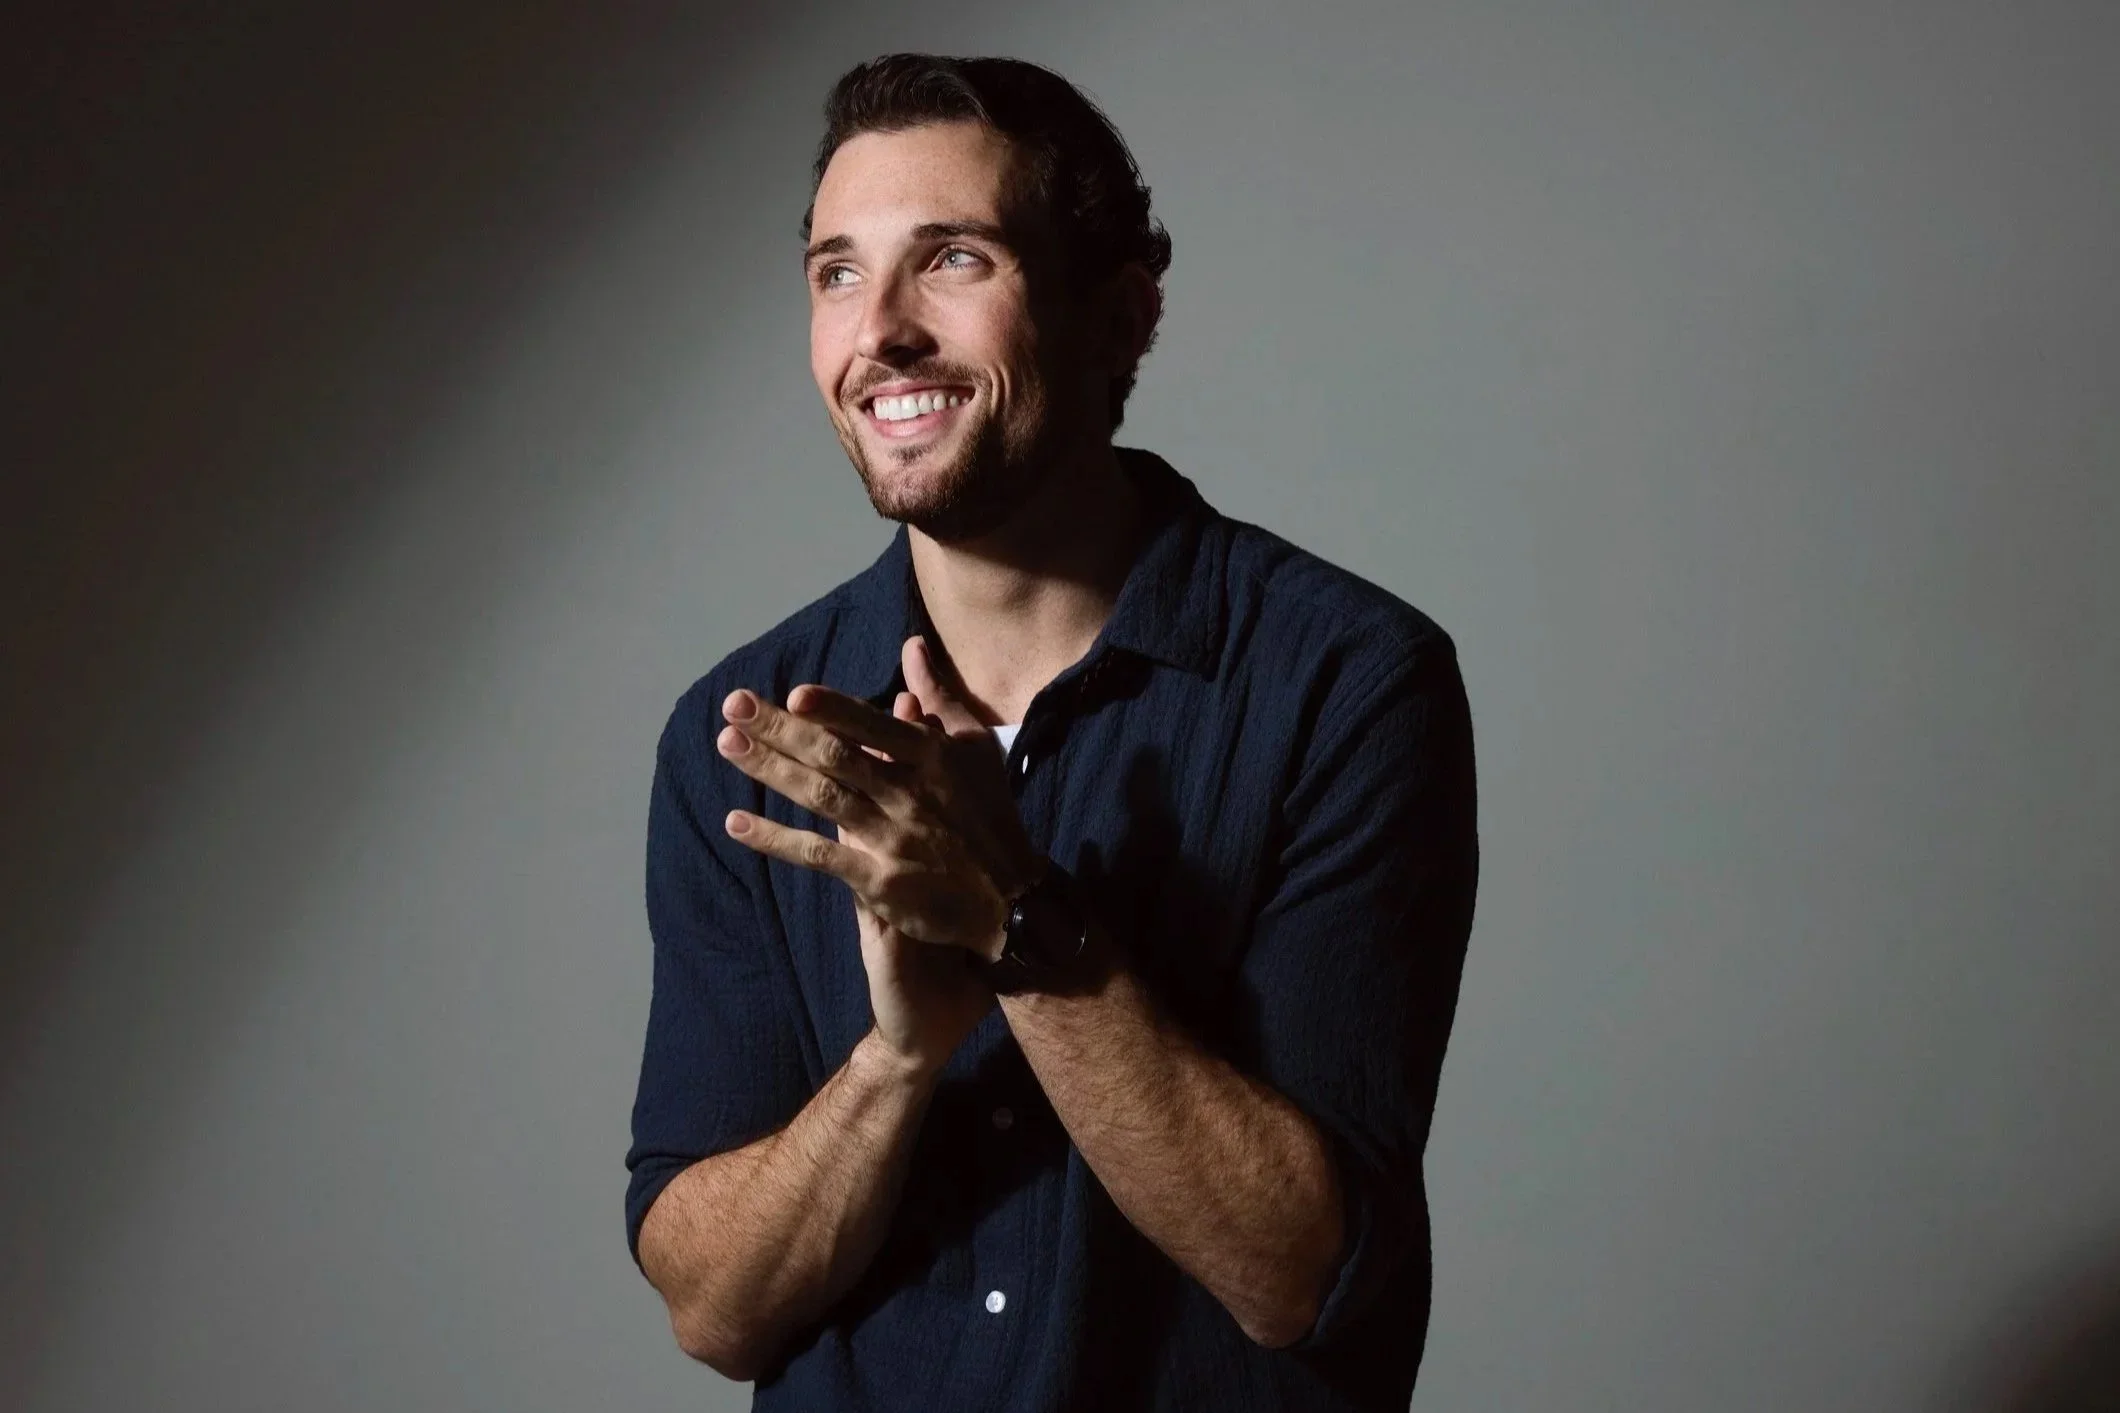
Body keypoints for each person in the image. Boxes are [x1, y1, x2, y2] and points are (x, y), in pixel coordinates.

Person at [624, 52, 1479, 1412]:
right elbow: (714, 1311)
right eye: (838, 273)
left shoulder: (1348, 683)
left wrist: (1016, 922)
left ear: (1120, 318)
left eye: (953, 260)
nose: (880, 331)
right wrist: (899, 1060)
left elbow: (1297, 1273)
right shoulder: (745, 733)